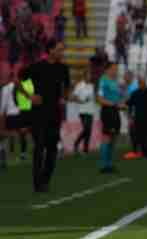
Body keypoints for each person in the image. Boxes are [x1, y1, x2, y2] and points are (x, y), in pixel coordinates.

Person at [20, 40, 71, 193]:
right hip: (38, 114)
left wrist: (64, 97)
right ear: (50, 50)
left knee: (52, 149)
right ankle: (37, 184)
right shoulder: (37, 67)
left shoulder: (63, 68)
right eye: (59, 49)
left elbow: (67, 87)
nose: (62, 52)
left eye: (63, 50)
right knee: (39, 147)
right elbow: (18, 81)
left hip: (55, 113)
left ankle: (45, 180)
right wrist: (30, 96)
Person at [96, 63, 125, 173]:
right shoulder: (103, 81)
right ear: (107, 70)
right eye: (114, 69)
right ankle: (104, 165)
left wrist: (121, 105)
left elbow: (118, 98)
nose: (116, 71)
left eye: (117, 69)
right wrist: (114, 104)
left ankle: (109, 163)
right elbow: (99, 99)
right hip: (108, 111)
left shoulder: (115, 81)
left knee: (113, 138)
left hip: (115, 111)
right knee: (107, 137)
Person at [127, 77, 147, 159]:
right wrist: (130, 116)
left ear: (145, 83)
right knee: (140, 136)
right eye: (140, 83)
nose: (141, 84)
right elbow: (130, 105)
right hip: (138, 118)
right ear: (138, 84)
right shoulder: (135, 93)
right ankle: (144, 153)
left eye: (142, 82)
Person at [71, 74, 96, 154]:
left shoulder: (92, 86)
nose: (89, 77)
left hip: (91, 110)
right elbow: (74, 97)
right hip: (82, 111)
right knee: (86, 128)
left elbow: (93, 97)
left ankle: (86, 149)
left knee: (89, 130)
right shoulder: (80, 85)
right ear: (84, 77)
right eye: (88, 76)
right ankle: (76, 143)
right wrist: (81, 101)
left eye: (90, 76)